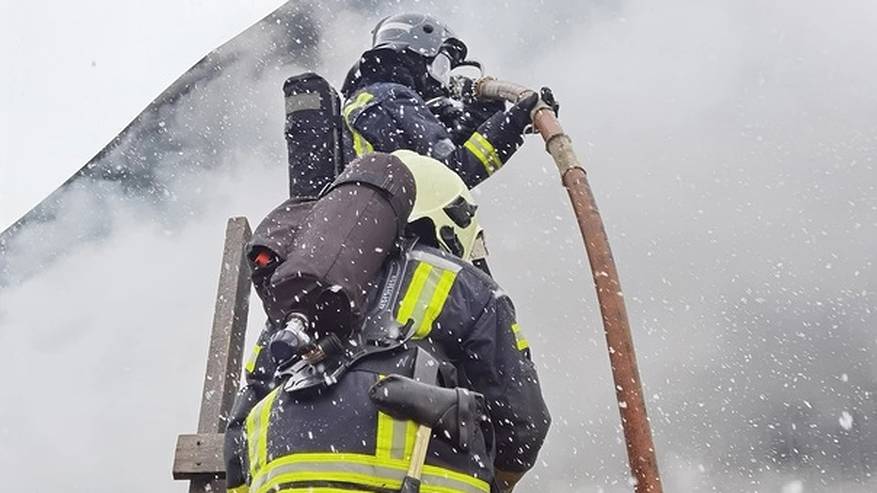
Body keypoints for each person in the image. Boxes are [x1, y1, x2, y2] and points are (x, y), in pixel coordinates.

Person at [224, 150, 550, 493]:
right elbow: (523, 423)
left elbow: (240, 427)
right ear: (449, 220)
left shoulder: (301, 299)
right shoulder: (466, 286)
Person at [339, 13, 558, 189]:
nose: (442, 81)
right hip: (399, 236)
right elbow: (451, 173)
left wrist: (488, 114)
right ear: (418, 54)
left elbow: (446, 155)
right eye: (442, 65)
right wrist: (513, 123)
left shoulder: (370, 99)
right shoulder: (393, 96)